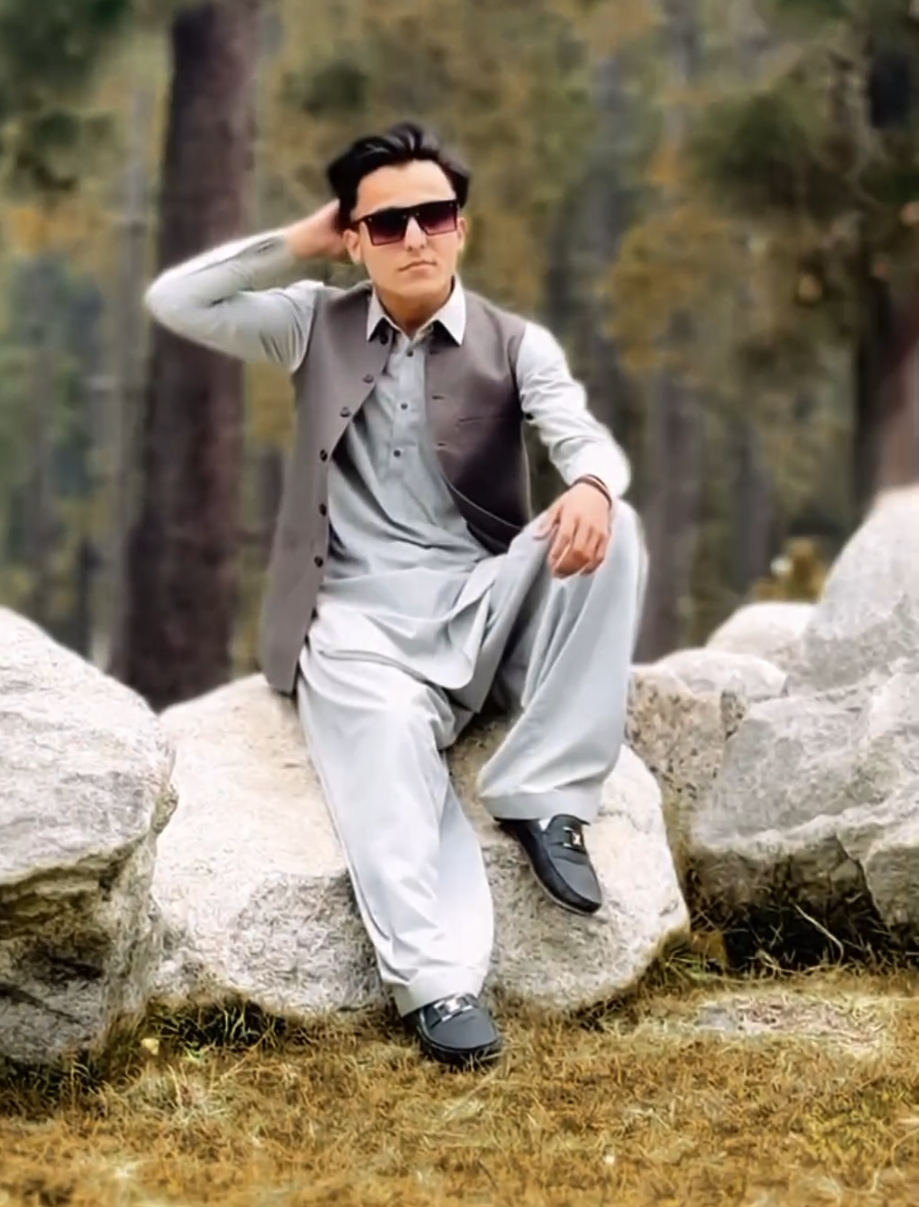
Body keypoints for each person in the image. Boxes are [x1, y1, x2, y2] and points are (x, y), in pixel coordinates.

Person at [145, 121, 647, 1069]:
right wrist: (299, 240)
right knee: (381, 763)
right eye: (386, 224)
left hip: (479, 602)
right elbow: (177, 299)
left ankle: (544, 793)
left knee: (614, 530)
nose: (415, 237)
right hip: (354, 622)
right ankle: (437, 981)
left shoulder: (516, 343)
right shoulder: (309, 322)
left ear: (461, 227)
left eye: (435, 216)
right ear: (353, 240)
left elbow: (581, 437)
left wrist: (588, 484)